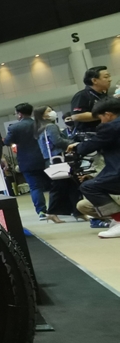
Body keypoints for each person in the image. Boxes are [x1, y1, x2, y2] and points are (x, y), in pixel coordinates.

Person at [68, 97, 120, 238]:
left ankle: (119, 220)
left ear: (108, 114)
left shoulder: (111, 126)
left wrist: (77, 147)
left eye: (100, 118)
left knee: (89, 187)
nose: (101, 122)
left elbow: (90, 146)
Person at [4, 103, 53, 220]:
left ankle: (41, 212)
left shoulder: (14, 128)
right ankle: (56, 209)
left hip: (27, 162)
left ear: (20, 114)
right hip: (44, 159)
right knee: (53, 185)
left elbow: (7, 142)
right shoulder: (41, 124)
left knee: (35, 187)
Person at [33, 106, 80, 220]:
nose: (52, 112)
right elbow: (57, 141)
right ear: (43, 116)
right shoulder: (51, 126)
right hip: (59, 159)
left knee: (68, 186)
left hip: (51, 161)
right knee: (62, 187)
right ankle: (54, 212)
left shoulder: (40, 129)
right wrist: (73, 142)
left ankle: (77, 212)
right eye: (49, 111)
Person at [67, 66, 111, 134]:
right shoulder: (82, 95)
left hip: (107, 132)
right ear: (94, 80)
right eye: (106, 77)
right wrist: (102, 116)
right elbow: (76, 116)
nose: (110, 79)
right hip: (91, 135)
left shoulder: (104, 95)